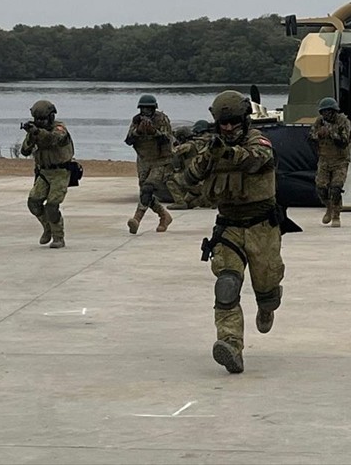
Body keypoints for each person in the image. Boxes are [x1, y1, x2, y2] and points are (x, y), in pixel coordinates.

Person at [174, 90, 288, 375]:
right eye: (223, 123)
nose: (227, 128)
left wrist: (225, 152)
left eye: (233, 122)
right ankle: (231, 345)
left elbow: (256, 159)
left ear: (245, 120)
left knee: (267, 287)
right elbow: (187, 179)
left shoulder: (257, 141)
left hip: (262, 225)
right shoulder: (211, 147)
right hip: (229, 226)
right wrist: (207, 158)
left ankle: (267, 305)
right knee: (226, 286)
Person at [22, 99, 76, 249]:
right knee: (33, 202)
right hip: (44, 172)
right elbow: (24, 151)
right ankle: (48, 228)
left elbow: (54, 139)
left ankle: (58, 237)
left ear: (51, 117)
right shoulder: (35, 131)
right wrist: (32, 137)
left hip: (60, 172)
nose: (39, 122)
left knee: (52, 205)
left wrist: (37, 132)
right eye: (37, 119)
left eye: (42, 119)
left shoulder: (59, 128)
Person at [123, 93, 175, 234]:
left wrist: (154, 132)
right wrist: (138, 131)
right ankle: (164, 216)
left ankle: (137, 219)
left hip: (161, 160)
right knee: (145, 195)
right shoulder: (136, 121)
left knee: (148, 188)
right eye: (143, 109)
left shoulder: (162, 120)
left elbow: (167, 140)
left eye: (149, 109)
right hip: (144, 160)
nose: (146, 112)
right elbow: (128, 140)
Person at [309, 97, 351, 227]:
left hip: (340, 160)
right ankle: (329, 207)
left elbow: (344, 141)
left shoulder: (343, 122)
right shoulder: (320, 122)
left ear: (334, 111)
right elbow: (310, 136)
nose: (326, 115)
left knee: (336, 187)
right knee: (321, 188)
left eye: (328, 112)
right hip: (324, 159)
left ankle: (336, 214)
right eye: (323, 112)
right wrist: (319, 134)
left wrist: (332, 133)